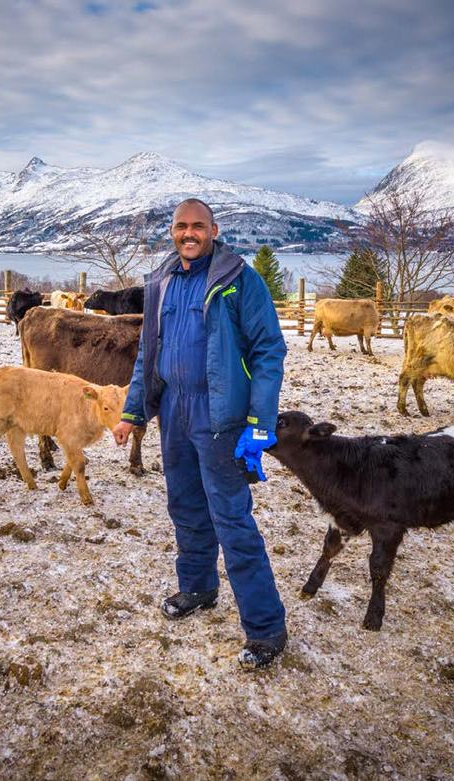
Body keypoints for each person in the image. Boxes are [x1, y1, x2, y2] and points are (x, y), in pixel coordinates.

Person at [112, 199, 288, 669]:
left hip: (220, 416)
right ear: (172, 231)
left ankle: (266, 626)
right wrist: (134, 412)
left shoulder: (239, 282)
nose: (189, 233)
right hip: (174, 411)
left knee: (231, 518)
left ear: (213, 229)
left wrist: (260, 423)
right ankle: (197, 587)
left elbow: (270, 350)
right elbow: (150, 351)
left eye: (197, 226)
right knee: (186, 507)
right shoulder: (163, 282)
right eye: (180, 226)